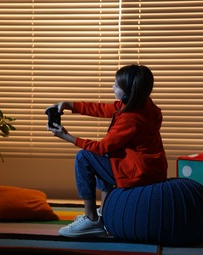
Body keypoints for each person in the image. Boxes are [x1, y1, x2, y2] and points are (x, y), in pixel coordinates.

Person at [45, 64, 168, 238]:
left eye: (116, 85)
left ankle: (91, 219)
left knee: (85, 157)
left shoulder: (131, 119)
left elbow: (102, 147)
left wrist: (68, 137)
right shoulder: (143, 104)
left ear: (128, 92)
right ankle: (104, 214)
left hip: (139, 174)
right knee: (107, 156)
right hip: (149, 168)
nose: (112, 86)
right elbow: (102, 109)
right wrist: (69, 105)